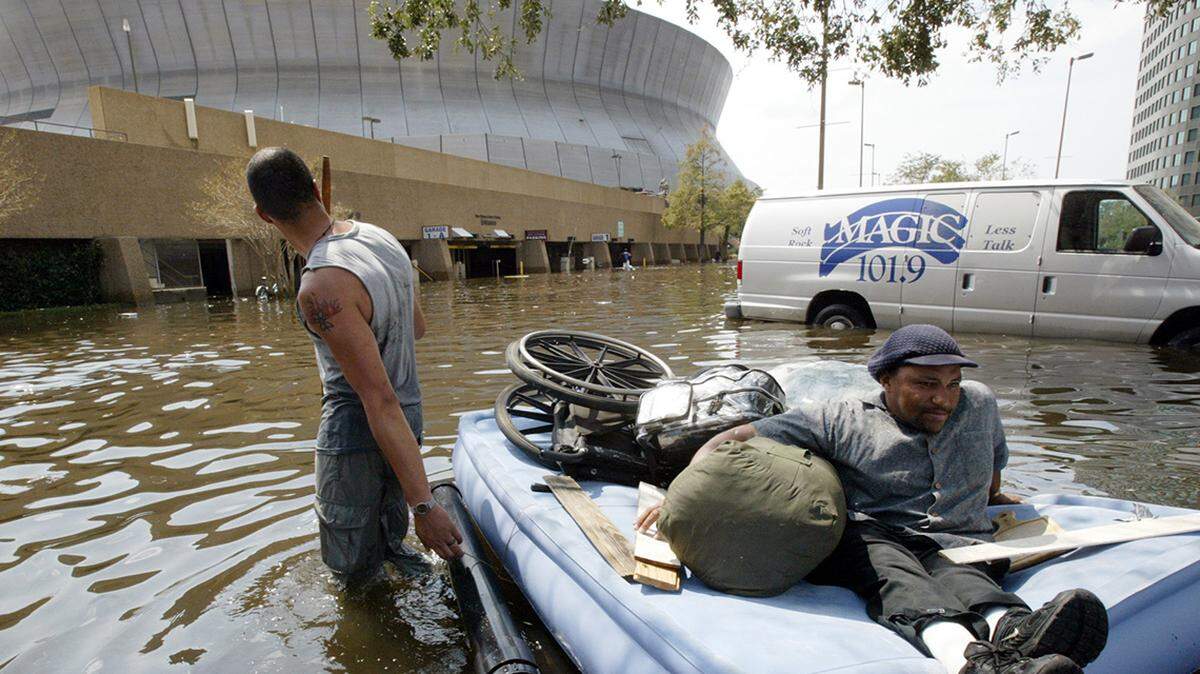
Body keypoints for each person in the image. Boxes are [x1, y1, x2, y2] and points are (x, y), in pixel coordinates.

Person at [638, 325, 1108, 674]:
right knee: (898, 576)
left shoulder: (979, 402)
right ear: (885, 380)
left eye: (951, 384)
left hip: (962, 539)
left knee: (962, 573)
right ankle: (972, 662)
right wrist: (681, 495)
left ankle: (1015, 629)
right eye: (925, 384)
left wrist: (997, 498)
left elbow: (995, 462)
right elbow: (731, 438)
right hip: (874, 535)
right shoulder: (838, 419)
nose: (943, 399)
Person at [245, 147, 463, 587]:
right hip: (409, 418)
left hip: (356, 435)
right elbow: (416, 327)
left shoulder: (320, 285)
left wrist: (424, 508)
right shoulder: (380, 237)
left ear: (264, 216)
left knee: (353, 578)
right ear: (313, 188)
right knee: (390, 551)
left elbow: (376, 399)